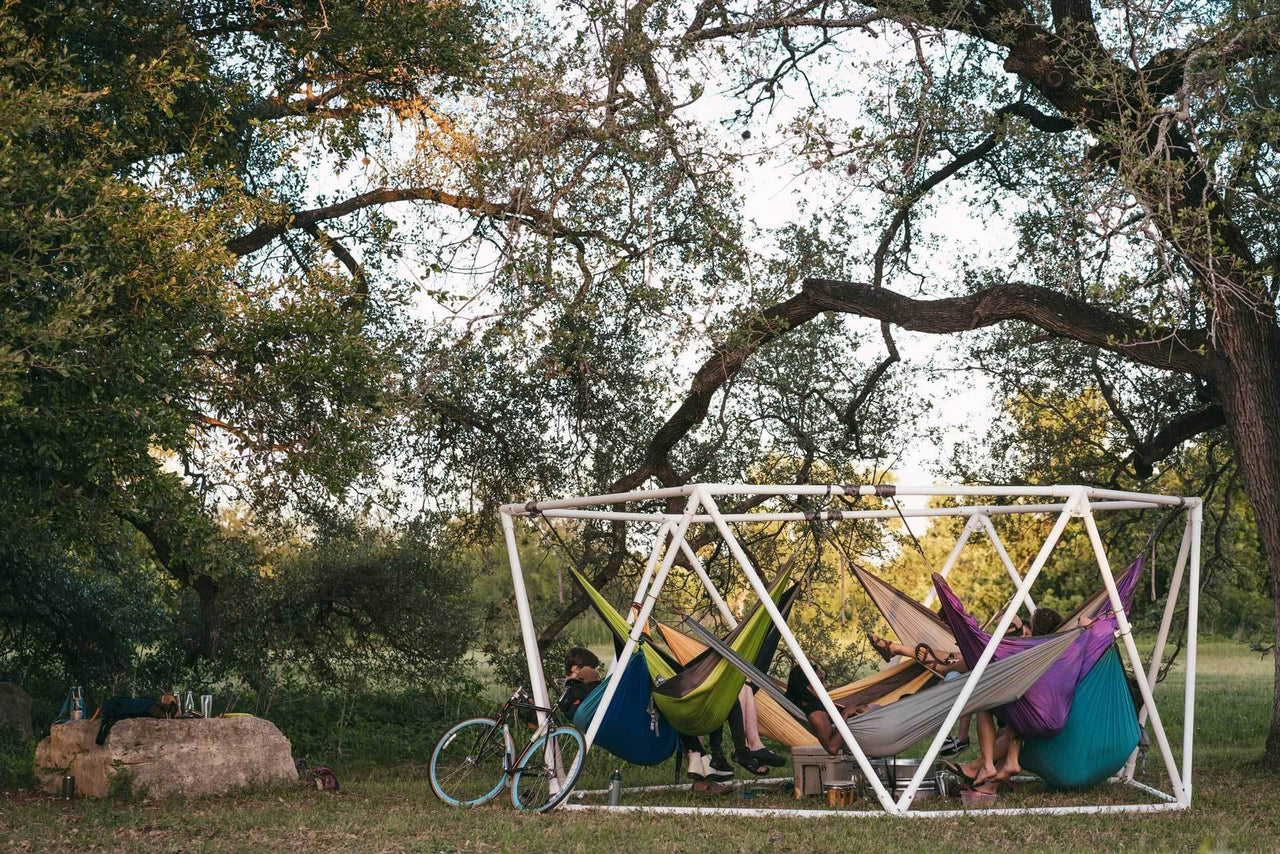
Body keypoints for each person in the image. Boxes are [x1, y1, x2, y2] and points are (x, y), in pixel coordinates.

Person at [784, 663, 875, 755]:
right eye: (820, 682)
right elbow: (832, 748)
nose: (826, 686)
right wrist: (845, 713)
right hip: (874, 727)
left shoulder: (814, 702)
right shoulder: (816, 714)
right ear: (807, 687)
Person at [557, 647, 601, 719]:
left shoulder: (570, 692)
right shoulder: (577, 691)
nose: (593, 672)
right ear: (575, 668)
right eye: (591, 668)